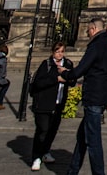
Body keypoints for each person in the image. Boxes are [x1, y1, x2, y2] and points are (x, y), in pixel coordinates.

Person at [60, 17, 107, 175]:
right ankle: (72, 171)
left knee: (93, 141)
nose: (87, 33)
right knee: (82, 137)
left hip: (94, 96)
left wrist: (65, 74)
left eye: (88, 30)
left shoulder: (95, 45)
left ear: (94, 29)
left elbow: (80, 69)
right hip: (104, 96)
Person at [29, 42, 74, 171]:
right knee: (42, 130)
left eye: (62, 51)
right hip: (44, 102)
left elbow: (72, 80)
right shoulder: (46, 64)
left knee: (52, 130)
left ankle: (45, 152)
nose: (59, 54)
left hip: (58, 103)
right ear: (52, 52)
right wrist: (57, 78)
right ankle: (36, 157)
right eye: (57, 51)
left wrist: (69, 77)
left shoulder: (68, 64)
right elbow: (38, 83)